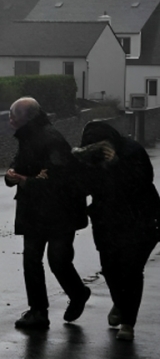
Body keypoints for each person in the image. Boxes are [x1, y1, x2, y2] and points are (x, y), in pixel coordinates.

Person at [5, 97, 90, 330]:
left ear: (29, 117)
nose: (10, 119)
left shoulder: (51, 139)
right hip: (35, 210)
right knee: (31, 258)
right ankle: (38, 311)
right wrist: (11, 175)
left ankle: (78, 293)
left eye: (15, 115)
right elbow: (21, 164)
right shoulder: (28, 137)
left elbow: (61, 180)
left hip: (62, 211)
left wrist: (26, 181)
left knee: (58, 260)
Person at [72, 121, 160, 341]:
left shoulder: (132, 150)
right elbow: (85, 187)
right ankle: (121, 304)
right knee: (110, 269)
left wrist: (116, 164)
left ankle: (128, 323)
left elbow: (142, 181)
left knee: (131, 270)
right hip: (106, 221)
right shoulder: (89, 158)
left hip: (140, 219)